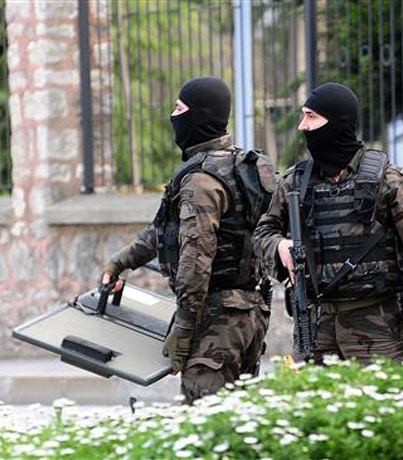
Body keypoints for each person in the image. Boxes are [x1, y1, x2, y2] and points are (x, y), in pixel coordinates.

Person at [101, 77, 276, 403]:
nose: (173, 115)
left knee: (209, 421)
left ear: (199, 115)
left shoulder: (201, 180)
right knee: (239, 417)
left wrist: (183, 330)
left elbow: (195, 264)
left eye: (179, 108)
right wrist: (121, 261)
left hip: (215, 322)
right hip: (250, 314)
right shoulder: (244, 165)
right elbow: (166, 230)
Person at [253, 83, 403, 364]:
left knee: (381, 393)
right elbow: (262, 233)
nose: (302, 126)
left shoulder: (388, 180)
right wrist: (279, 246)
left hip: (376, 324)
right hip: (314, 324)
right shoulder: (296, 182)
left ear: (337, 122)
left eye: (311, 117)